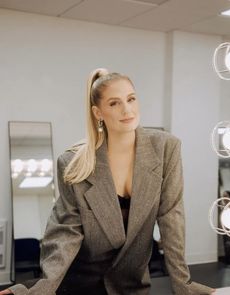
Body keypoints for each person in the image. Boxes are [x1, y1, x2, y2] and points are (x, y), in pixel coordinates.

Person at [0, 68, 216, 294]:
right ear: (98, 112)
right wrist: (40, 290)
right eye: (114, 103)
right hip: (80, 284)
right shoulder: (74, 162)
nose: (127, 109)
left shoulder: (165, 148)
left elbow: (171, 217)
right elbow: (66, 232)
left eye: (131, 99)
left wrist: (184, 285)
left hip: (131, 283)